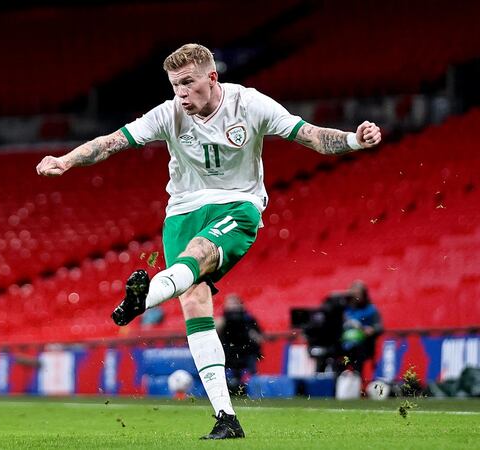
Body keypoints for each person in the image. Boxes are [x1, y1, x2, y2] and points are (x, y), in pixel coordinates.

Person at [36, 43, 381, 439]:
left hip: (238, 205)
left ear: (211, 78)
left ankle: (143, 298)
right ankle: (225, 417)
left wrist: (354, 140)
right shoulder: (169, 113)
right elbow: (111, 142)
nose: (180, 93)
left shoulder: (249, 105)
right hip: (182, 211)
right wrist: (65, 161)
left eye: (187, 83)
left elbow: (310, 136)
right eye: (174, 85)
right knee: (193, 301)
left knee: (198, 255)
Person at [217, 294, 263, 393]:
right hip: (228, 354)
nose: (233, 308)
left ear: (241, 305)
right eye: (230, 304)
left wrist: (251, 332)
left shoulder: (249, 320)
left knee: (249, 380)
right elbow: (214, 331)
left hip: (246, 354)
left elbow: (259, 338)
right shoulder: (222, 320)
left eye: (235, 304)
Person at [340, 280, 383, 381]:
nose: (356, 297)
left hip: (363, 344)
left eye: (358, 294)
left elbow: (379, 327)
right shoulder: (344, 309)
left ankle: (358, 380)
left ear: (364, 295)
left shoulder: (370, 309)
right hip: (343, 343)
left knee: (358, 352)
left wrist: (371, 330)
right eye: (353, 294)